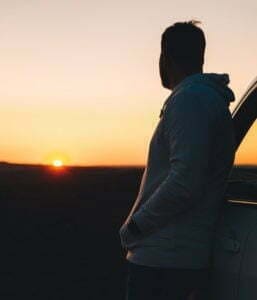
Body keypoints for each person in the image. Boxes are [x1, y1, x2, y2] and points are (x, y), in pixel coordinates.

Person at [119, 20, 236, 300]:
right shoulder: (199, 99)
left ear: (165, 58)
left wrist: (137, 225)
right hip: (173, 257)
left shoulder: (190, 101)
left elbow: (186, 179)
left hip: (165, 261)